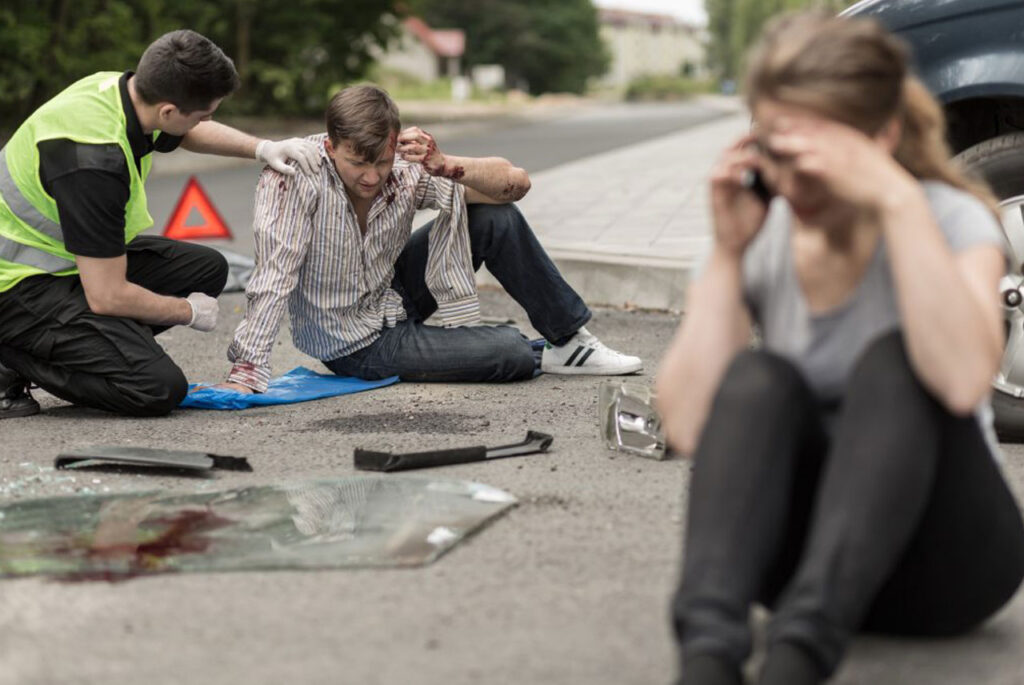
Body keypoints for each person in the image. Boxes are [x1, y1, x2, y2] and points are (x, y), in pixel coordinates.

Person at [654, 12, 1024, 685]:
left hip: (949, 563)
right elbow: (685, 423)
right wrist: (729, 256)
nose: (794, 183)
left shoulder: (948, 215)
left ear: (881, 134)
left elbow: (966, 380)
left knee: (896, 364)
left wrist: (896, 198)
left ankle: (797, 661)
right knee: (760, 377)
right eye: (776, 153)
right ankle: (706, 659)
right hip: (794, 560)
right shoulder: (759, 225)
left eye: (816, 155)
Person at [218, 84, 641, 394]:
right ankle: (522, 349)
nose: (371, 176)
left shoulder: (404, 162)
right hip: (354, 340)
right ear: (331, 146)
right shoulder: (296, 176)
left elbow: (516, 183)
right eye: (357, 163)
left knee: (496, 217)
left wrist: (445, 164)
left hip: (393, 294)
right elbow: (275, 273)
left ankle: (571, 340)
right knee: (508, 353)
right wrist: (248, 368)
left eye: (381, 162)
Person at [0, 29, 321, 419]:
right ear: (168, 111)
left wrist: (263, 148)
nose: (208, 120)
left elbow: (188, 132)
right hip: (17, 288)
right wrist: (184, 311)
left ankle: (96, 346)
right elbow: (107, 296)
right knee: (156, 388)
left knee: (208, 268)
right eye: (204, 113)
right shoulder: (92, 162)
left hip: (62, 264)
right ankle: (15, 357)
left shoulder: (121, 92)